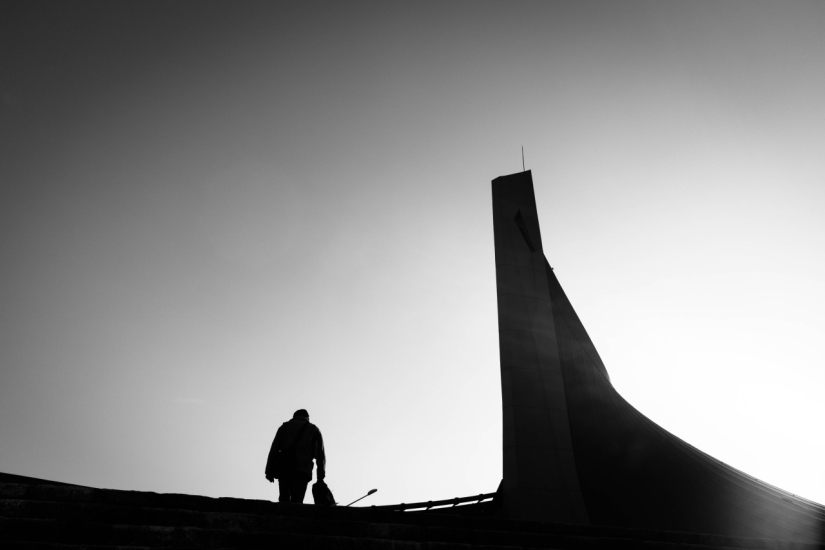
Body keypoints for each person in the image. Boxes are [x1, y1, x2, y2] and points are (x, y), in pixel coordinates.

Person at [265, 409, 326, 503]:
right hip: (302, 469)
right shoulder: (313, 429)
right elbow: (320, 456)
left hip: (284, 467)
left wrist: (269, 470)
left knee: (284, 498)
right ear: (307, 417)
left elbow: (274, 449)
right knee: (297, 500)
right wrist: (320, 477)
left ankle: (282, 515)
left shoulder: (284, 427)